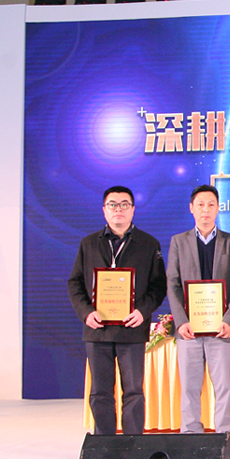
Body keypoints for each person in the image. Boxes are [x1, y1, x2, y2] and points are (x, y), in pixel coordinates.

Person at [67, 185, 167, 435]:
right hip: (97, 329)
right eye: (113, 204)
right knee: (100, 392)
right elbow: (75, 283)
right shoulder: (89, 244)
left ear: (133, 210)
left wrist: (142, 311)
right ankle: (105, 443)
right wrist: (86, 312)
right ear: (104, 210)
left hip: (132, 329)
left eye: (124, 204)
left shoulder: (148, 244)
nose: (118, 209)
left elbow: (158, 286)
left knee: (133, 391)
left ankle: (133, 443)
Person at [165, 184, 230, 434]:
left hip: (222, 329)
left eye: (211, 205)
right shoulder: (179, 242)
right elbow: (172, 283)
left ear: (218, 208)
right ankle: (191, 435)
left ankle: (223, 437)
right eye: (200, 205)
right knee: (189, 388)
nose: (205, 210)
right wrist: (181, 321)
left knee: (224, 388)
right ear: (191, 208)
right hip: (189, 329)